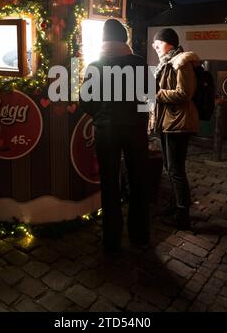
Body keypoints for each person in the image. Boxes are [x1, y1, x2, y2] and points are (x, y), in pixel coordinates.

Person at [79, 19, 150, 252]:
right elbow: (149, 99)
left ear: (103, 39)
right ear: (125, 39)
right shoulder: (139, 63)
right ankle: (139, 236)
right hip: (135, 131)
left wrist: (101, 113)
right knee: (139, 181)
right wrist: (137, 117)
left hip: (106, 131)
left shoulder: (95, 66)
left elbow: (85, 103)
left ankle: (111, 240)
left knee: (109, 184)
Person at [152, 28, 200, 229]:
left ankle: (182, 215)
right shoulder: (166, 63)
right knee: (170, 168)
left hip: (178, 123)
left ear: (169, 43)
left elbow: (184, 93)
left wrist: (157, 93)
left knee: (176, 169)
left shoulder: (181, 62)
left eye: (158, 43)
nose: (155, 47)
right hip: (168, 122)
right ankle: (176, 206)